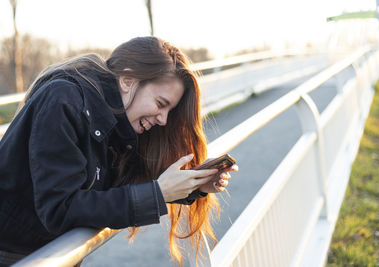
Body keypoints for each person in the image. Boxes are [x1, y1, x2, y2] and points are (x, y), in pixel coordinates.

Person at [0, 36, 238, 266]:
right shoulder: (64, 100)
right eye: (160, 104)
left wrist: (194, 185)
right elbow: (59, 208)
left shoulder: (115, 121)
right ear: (127, 81)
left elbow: (119, 185)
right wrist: (157, 193)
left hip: (45, 254)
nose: (164, 120)